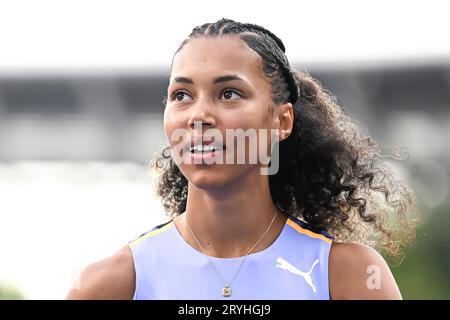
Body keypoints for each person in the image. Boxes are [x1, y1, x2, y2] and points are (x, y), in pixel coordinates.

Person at [66, 18, 416, 300]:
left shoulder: (349, 277)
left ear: (282, 121)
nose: (198, 115)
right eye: (182, 95)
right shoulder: (109, 285)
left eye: (228, 93)